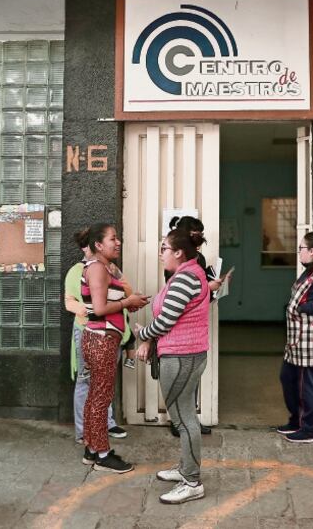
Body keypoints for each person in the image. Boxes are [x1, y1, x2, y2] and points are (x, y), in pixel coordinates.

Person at [134, 227, 212, 504]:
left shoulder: (184, 278)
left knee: (184, 419)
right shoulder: (188, 274)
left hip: (182, 357)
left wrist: (141, 334)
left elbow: (166, 321)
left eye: (164, 248)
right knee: (182, 416)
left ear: (179, 252)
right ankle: (185, 469)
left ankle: (192, 482)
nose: (160, 252)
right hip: (185, 355)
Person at [80, 223, 148, 473]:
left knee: (96, 395)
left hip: (101, 338)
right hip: (101, 339)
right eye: (112, 239)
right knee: (101, 397)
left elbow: (109, 301)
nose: (117, 242)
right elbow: (98, 309)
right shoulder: (97, 268)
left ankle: (91, 449)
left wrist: (128, 302)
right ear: (98, 245)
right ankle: (103, 455)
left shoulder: (105, 268)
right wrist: (128, 302)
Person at [163, 216, 232, 438]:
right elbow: (182, 296)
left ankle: (188, 420)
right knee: (181, 381)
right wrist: (207, 287)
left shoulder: (196, 259)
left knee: (190, 380)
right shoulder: (177, 263)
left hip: (194, 333)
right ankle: (181, 423)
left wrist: (211, 288)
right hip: (181, 333)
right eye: (195, 235)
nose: (200, 239)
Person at [64, 228, 128, 444]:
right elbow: (71, 301)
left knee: (104, 382)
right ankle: (87, 435)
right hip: (90, 332)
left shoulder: (111, 269)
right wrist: (85, 309)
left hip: (111, 333)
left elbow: (126, 291)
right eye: (113, 239)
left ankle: (106, 425)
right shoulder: (80, 270)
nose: (117, 243)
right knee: (87, 381)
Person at [276, 231, 313, 444]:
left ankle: (309, 429)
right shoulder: (308, 272)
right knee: (287, 378)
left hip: (310, 340)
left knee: (305, 384)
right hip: (296, 340)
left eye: (301, 248)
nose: (299, 251)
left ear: (312, 251)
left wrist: (303, 307)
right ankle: (295, 420)